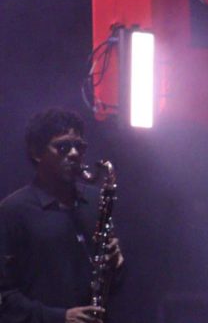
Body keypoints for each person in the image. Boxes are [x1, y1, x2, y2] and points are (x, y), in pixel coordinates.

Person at [0, 108, 123, 323]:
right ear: (36, 152)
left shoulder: (95, 201)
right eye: (63, 147)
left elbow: (114, 286)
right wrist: (60, 317)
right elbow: (4, 296)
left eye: (79, 146)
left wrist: (117, 264)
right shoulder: (13, 211)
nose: (74, 154)